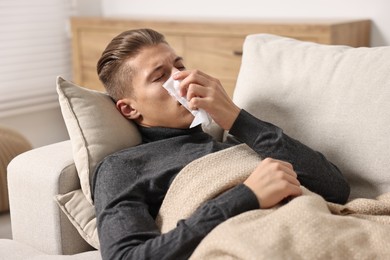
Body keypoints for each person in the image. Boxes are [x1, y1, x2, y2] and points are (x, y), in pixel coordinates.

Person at [92, 28, 350, 260]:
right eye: (160, 77)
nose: (180, 79)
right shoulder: (123, 167)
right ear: (129, 109)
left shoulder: (236, 140)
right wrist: (246, 196)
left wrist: (236, 118)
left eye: (179, 66)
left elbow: (336, 189)